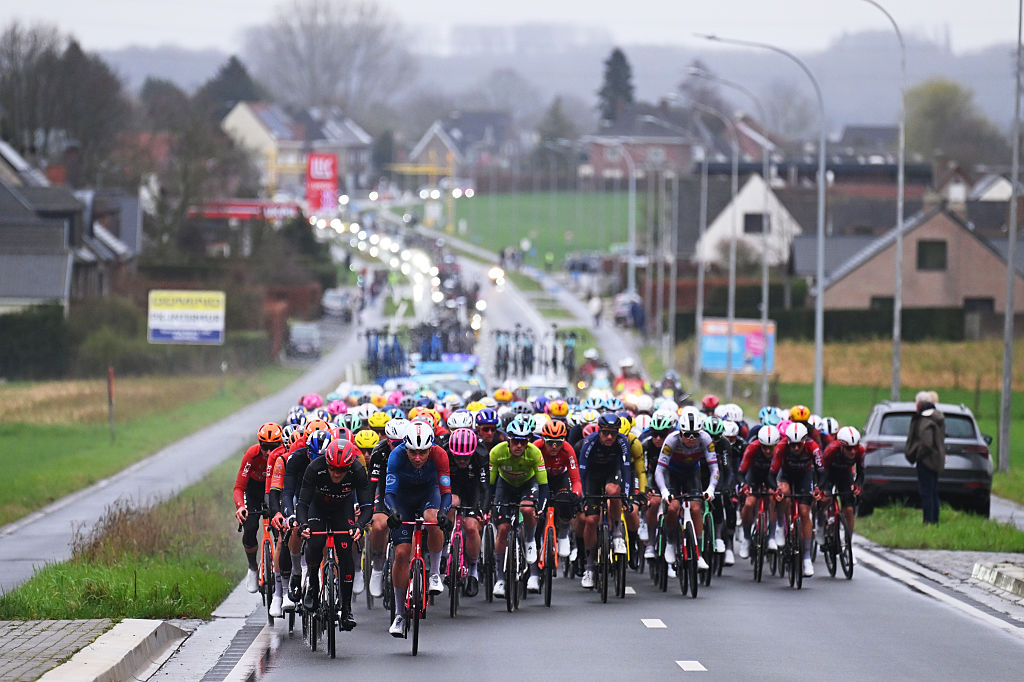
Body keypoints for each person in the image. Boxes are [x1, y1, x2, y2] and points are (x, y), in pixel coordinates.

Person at [905, 391, 946, 524]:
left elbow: (926, 443)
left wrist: (917, 455)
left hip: (926, 462)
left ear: (919, 404)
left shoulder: (925, 421)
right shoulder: (937, 417)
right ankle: (934, 520)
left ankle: (928, 521)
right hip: (936, 461)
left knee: (927, 493)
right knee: (933, 493)